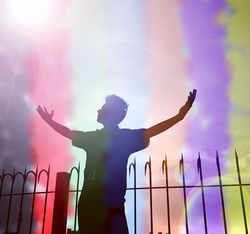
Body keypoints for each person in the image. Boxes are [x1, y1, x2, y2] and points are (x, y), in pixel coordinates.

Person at [37, 89, 196, 234]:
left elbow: (69, 133)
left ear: (112, 114)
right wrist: (178, 117)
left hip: (103, 209)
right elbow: (70, 133)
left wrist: (179, 116)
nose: (99, 110)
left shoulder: (108, 138)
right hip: (98, 208)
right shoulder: (121, 138)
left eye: (103, 108)